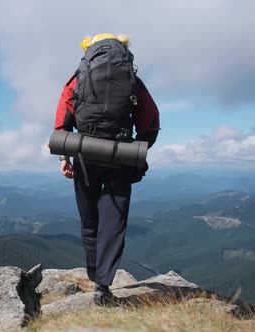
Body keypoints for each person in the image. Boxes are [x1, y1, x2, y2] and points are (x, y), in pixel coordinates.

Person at [53, 33, 160, 305]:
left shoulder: (79, 78)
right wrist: (137, 150)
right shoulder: (132, 81)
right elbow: (150, 120)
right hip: (120, 156)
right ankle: (103, 286)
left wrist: (65, 157)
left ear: (89, 52)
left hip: (85, 155)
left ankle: (93, 273)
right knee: (113, 223)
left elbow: (62, 120)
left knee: (90, 221)